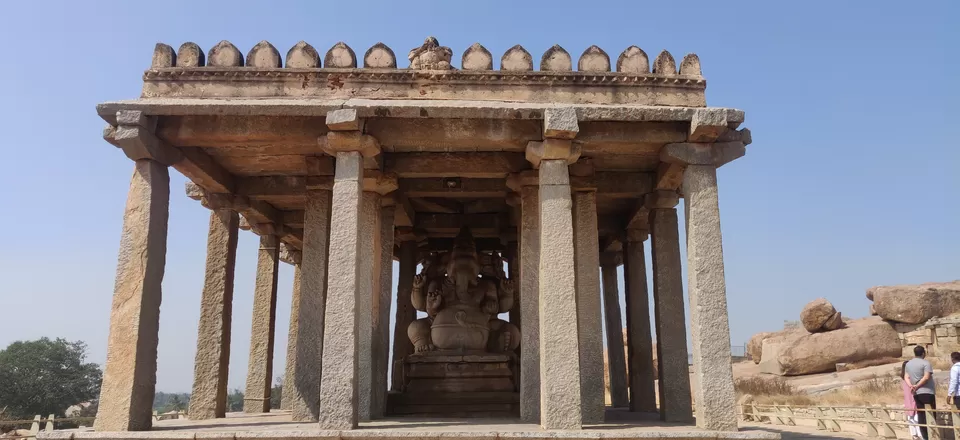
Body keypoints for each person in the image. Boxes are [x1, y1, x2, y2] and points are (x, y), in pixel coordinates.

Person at [905, 346, 936, 440]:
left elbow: (906, 377)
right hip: (927, 391)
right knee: (931, 414)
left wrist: (911, 386)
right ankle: (932, 436)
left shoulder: (908, 364)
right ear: (923, 353)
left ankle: (925, 437)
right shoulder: (925, 363)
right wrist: (917, 386)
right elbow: (926, 377)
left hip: (916, 393)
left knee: (921, 415)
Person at [901, 360, 922, 440]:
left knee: (911, 418)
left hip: (908, 400)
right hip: (913, 398)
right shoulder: (910, 378)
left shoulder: (903, 379)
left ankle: (914, 434)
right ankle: (918, 434)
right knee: (915, 418)